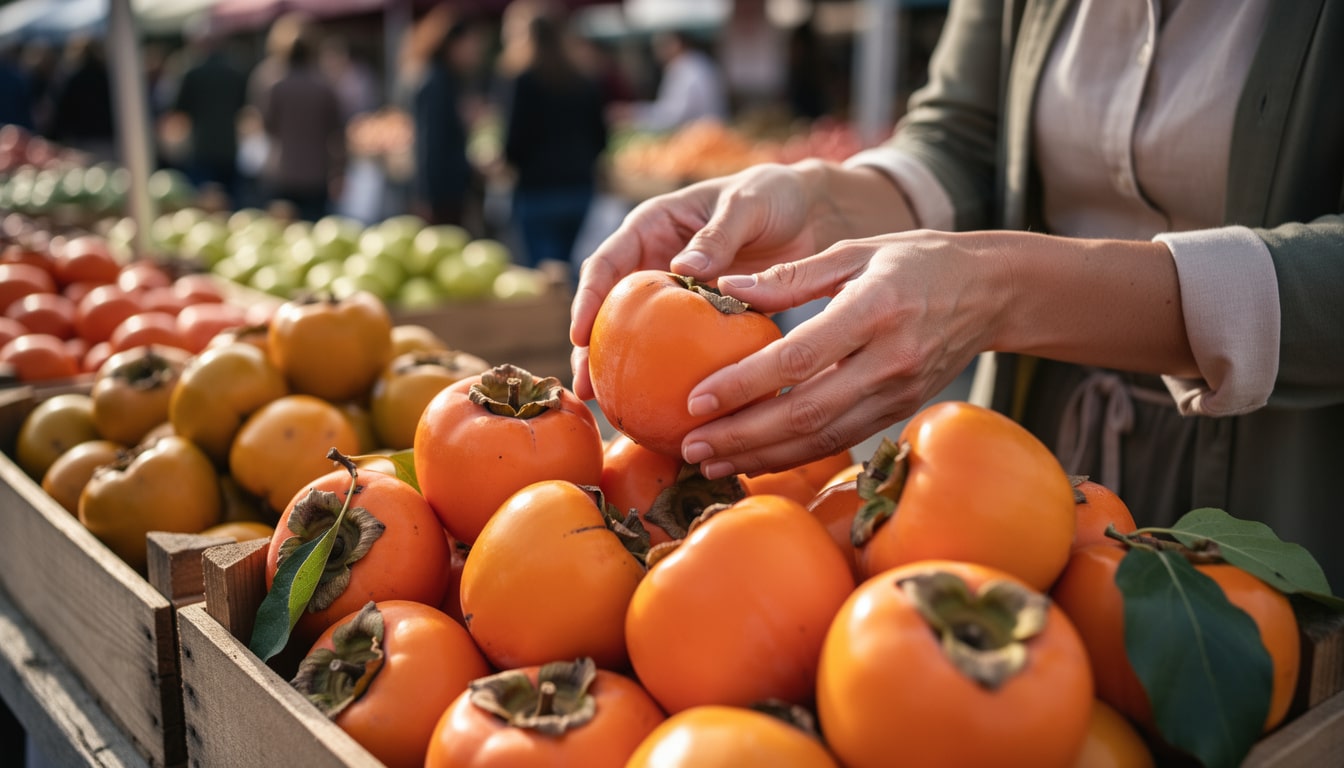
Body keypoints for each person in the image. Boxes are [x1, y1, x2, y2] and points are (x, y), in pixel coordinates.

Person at [570, 0, 1344, 589]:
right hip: (1014, 466)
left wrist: (1006, 290)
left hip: (1292, 475)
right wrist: (824, 199)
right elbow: (962, 140)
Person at [498, 3, 609, 273]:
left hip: (537, 189)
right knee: (570, 265)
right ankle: (575, 313)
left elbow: (514, 140)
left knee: (546, 271)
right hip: (578, 187)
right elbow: (601, 137)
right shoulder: (583, 78)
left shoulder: (522, 80)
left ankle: (561, 315)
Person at [255, 22, 347, 221]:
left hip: (283, 171)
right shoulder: (324, 89)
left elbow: (268, 126)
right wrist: (339, 171)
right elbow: (337, 133)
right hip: (316, 173)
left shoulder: (277, 89)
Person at [405, 7, 483, 228]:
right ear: (453, 44)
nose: (476, 50)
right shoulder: (436, 82)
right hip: (442, 193)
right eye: (472, 43)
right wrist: (428, 198)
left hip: (445, 189)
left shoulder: (444, 79)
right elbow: (432, 142)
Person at [169, 30, 248, 205]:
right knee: (231, 203)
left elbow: (179, 112)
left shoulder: (192, 74)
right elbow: (244, 110)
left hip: (202, 146)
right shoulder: (235, 72)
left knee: (204, 203)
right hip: (228, 146)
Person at [610, 29, 728, 134]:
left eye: (660, 45)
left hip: (700, 138)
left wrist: (633, 114)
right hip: (709, 134)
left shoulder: (683, 68)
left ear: (676, 44)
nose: (657, 52)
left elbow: (672, 116)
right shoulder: (699, 62)